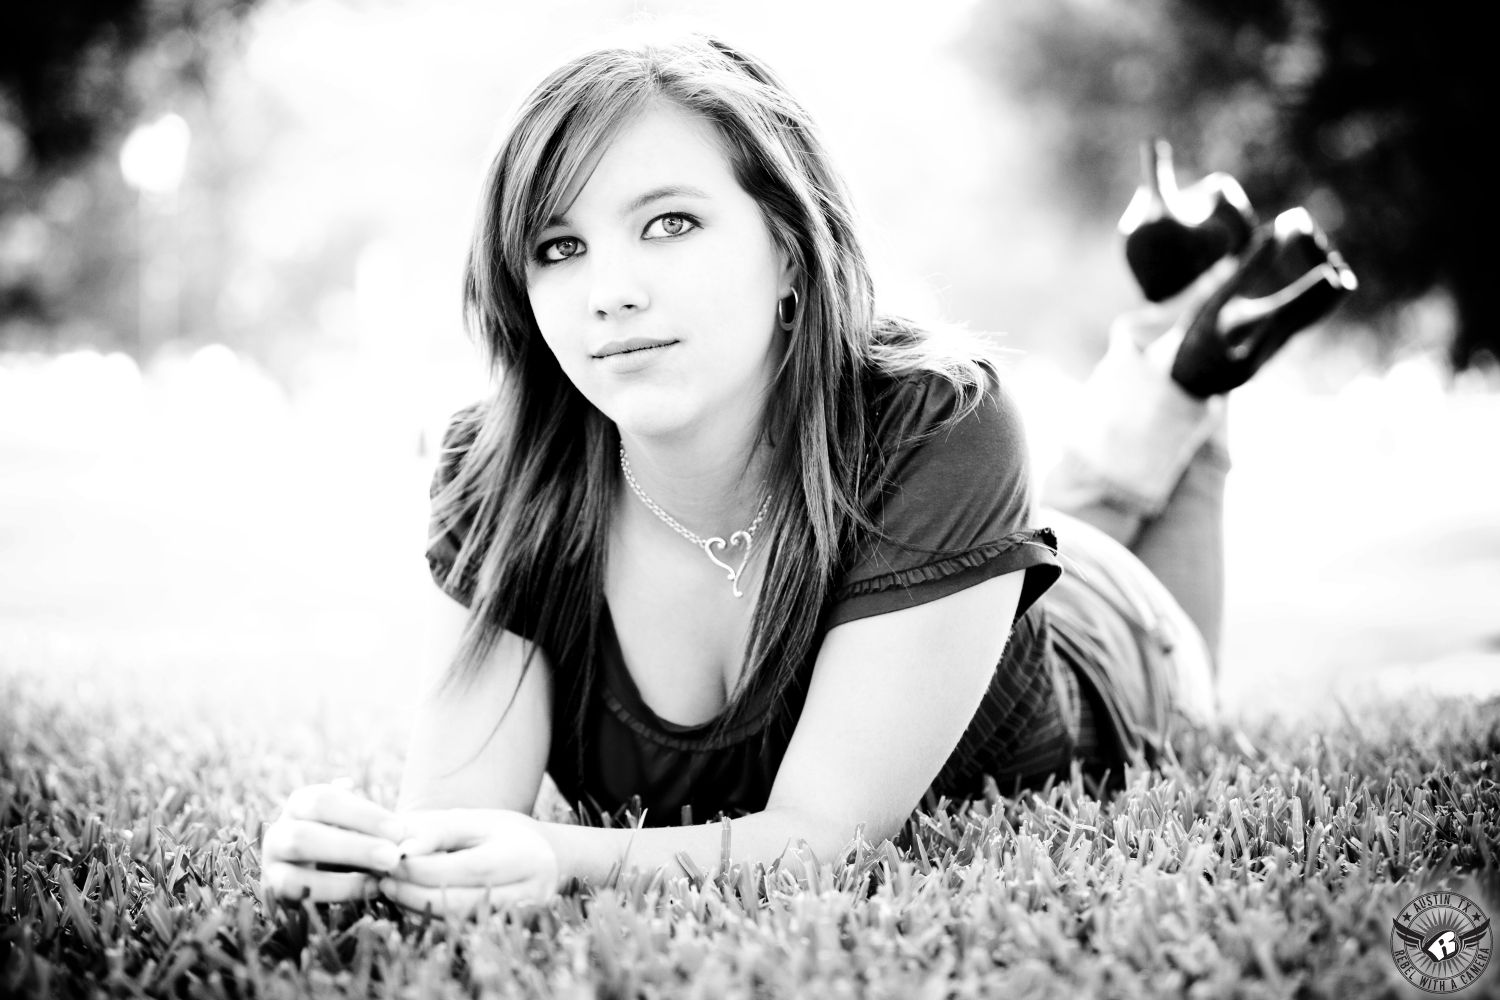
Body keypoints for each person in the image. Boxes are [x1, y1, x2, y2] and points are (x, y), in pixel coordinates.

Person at [258, 32, 1351, 917]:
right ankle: (1182, 337)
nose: (610, 291)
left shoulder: (942, 422)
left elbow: (819, 840)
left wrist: (557, 854)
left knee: (1160, 586)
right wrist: (368, 859)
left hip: (1107, 640)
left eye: (669, 224)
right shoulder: (501, 473)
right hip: (958, 553)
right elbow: (453, 818)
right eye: (559, 247)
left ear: (788, 247)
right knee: (1084, 492)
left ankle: (1194, 371)